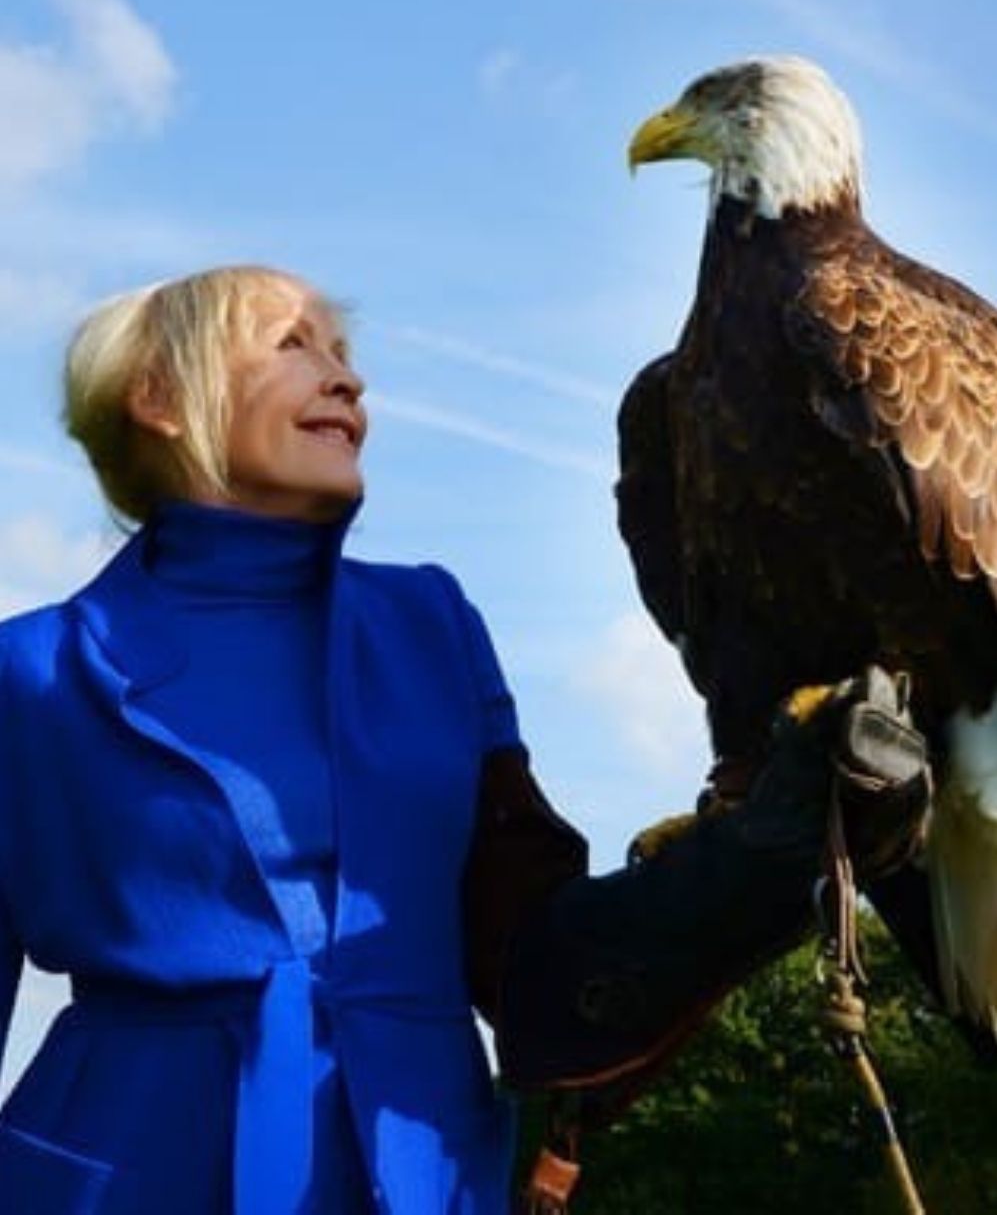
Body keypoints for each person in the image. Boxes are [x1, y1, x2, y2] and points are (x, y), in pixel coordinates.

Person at [0, 263, 929, 1215]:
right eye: (292, 343)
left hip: (417, 1167)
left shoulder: (430, 623)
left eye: (345, 353)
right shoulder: (30, 671)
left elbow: (530, 956)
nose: (346, 379)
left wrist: (761, 858)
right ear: (156, 398)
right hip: (123, 1163)